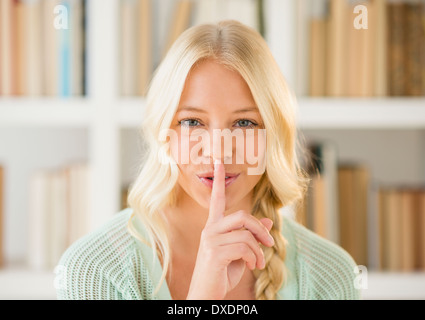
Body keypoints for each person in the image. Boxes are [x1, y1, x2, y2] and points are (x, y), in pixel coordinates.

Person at [55, 20, 362, 300]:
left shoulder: (331, 277)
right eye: (192, 122)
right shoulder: (94, 272)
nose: (218, 151)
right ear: (164, 134)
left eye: (244, 123)